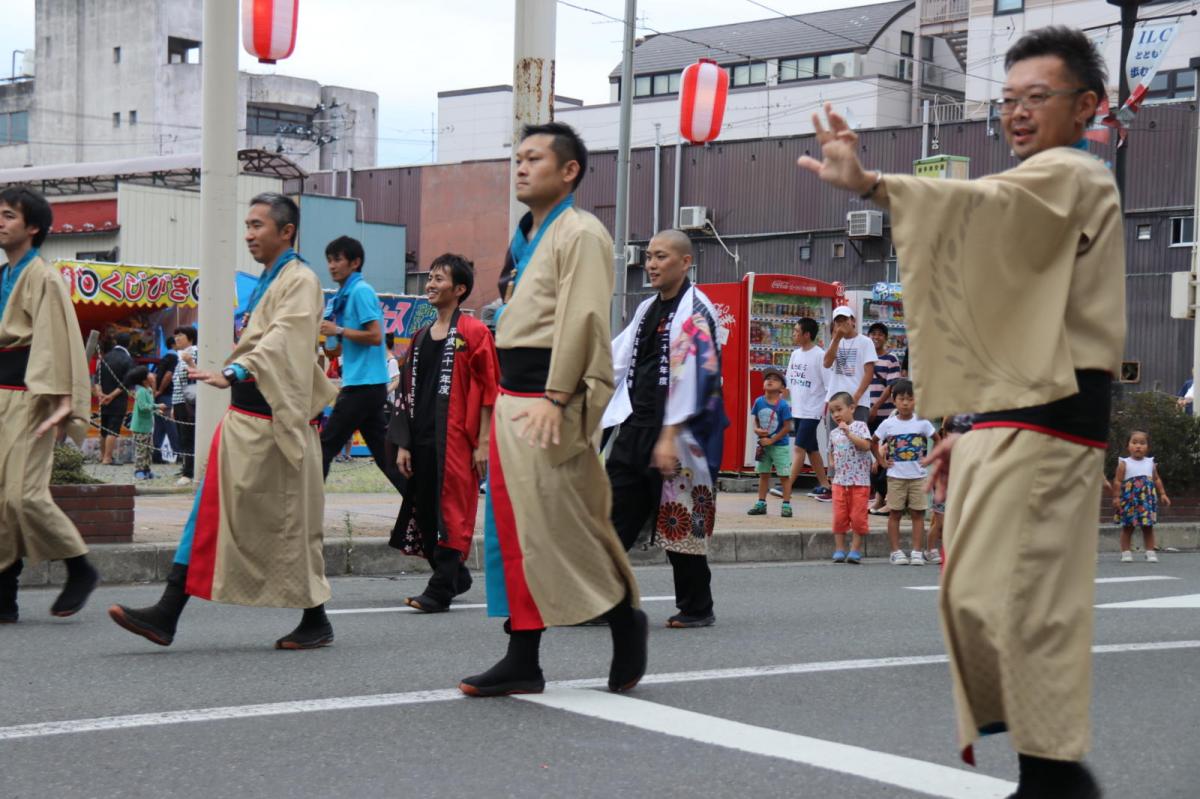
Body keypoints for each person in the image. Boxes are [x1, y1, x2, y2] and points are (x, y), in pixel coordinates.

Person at [799, 26, 1124, 796]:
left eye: (1034, 98)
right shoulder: (1029, 194)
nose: (1015, 113)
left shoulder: (1078, 177)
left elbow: (983, 211)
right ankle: (1050, 768)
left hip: (1053, 422)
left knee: (1022, 602)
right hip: (1006, 422)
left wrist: (876, 187)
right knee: (970, 594)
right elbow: (1000, 311)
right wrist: (967, 425)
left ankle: (1055, 774)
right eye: (1006, 100)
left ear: (1087, 108)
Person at [460, 121, 647, 698]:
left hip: (549, 396)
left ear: (569, 171)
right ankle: (523, 657)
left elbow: (584, 317)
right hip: (518, 398)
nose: (520, 167)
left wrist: (558, 397)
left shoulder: (581, 233)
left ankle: (622, 617)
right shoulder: (528, 235)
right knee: (513, 533)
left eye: (534, 158)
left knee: (559, 528)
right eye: (516, 157)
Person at [108, 193, 338, 650]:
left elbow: (283, 340)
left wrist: (234, 370)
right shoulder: (271, 281)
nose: (249, 234)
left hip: (273, 424)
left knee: (288, 522)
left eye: (258, 225)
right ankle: (168, 612)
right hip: (247, 420)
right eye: (247, 225)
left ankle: (312, 618)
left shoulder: (301, 280)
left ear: (286, 231)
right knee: (217, 514)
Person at [602, 228, 726, 629]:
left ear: (686, 262)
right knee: (613, 515)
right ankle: (604, 602)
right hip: (637, 424)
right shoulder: (647, 309)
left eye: (661, 257)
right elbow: (619, 359)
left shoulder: (696, 311)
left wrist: (670, 436)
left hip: (683, 434)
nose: (651, 265)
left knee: (680, 521)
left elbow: (696, 380)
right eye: (650, 256)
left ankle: (696, 606)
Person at [0, 185, 99, 623]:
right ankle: (4, 595)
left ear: (33, 227)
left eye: (8, 216)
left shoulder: (44, 275)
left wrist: (63, 401)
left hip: (29, 396)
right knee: (0, 500)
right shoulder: (6, 274)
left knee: (23, 497)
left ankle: (80, 565)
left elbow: (58, 342)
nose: (0, 222)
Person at [388, 253, 499, 613]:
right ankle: (455, 576)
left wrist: (483, 443)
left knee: (452, 511)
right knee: (424, 510)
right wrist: (403, 444)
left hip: (457, 440)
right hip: (421, 438)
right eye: (430, 278)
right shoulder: (419, 337)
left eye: (439, 279)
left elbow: (488, 390)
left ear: (460, 289)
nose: (430, 285)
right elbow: (406, 392)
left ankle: (439, 592)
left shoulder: (474, 332)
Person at [318, 236, 403, 490]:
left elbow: (376, 336)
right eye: (330, 260)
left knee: (324, 447)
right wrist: (329, 342)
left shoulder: (360, 291)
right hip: (366, 385)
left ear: (355, 262)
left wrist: (339, 329)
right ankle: (424, 515)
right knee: (385, 458)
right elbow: (345, 347)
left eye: (338, 260)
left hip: (362, 387)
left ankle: (305, 515)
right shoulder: (344, 296)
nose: (332, 266)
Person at [871, 379, 935, 566]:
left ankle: (916, 551)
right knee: (895, 514)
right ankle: (895, 551)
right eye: (901, 399)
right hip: (896, 477)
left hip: (918, 477)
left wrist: (930, 460)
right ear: (894, 400)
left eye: (910, 399)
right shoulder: (888, 424)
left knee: (918, 514)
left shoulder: (922, 422)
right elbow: (873, 442)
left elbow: (937, 439)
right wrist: (882, 461)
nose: (906, 403)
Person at [785, 317, 831, 502]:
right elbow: (789, 381)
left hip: (813, 410)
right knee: (812, 449)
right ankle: (826, 486)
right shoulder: (795, 354)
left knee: (799, 448)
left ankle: (787, 484)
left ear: (807, 334)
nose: (793, 334)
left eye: (797, 331)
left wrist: (825, 409)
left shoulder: (820, 355)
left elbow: (829, 385)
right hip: (797, 409)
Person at [826, 391, 872, 565]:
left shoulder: (860, 426)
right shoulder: (833, 433)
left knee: (858, 517)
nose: (836, 414)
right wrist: (831, 461)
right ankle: (839, 549)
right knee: (839, 517)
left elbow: (866, 446)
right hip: (840, 482)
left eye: (839, 409)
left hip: (859, 482)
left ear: (852, 408)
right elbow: (831, 450)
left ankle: (855, 549)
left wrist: (849, 433)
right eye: (832, 411)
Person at [1112, 430, 1170, 563]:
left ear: (1148, 447)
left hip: (1146, 501)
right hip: (1129, 500)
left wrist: (1163, 494)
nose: (1138, 446)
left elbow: (1156, 480)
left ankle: (1150, 551)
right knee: (1128, 527)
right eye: (1134, 442)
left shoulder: (1150, 463)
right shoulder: (1124, 463)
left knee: (1148, 527)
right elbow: (1117, 481)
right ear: (1128, 446)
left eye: (1142, 443)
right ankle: (1125, 552)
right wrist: (1116, 497)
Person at [746, 369, 794, 517]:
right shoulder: (758, 401)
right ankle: (761, 502)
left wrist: (771, 440)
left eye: (775, 379)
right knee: (763, 474)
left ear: (782, 388)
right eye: (767, 378)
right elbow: (756, 421)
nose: (770, 380)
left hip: (779, 446)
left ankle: (786, 504)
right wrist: (757, 431)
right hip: (764, 444)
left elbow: (787, 427)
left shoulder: (783, 405)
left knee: (784, 475)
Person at [866, 322, 902, 514]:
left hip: (884, 415)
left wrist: (876, 408)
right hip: (866, 413)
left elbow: (891, 387)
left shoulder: (891, 359)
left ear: (885, 338)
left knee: (883, 457)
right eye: (873, 334)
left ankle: (886, 498)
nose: (876, 337)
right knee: (873, 457)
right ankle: (878, 497)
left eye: (880, 334)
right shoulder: (866, 358)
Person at [822, 306, 876, 424]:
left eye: (845, 319)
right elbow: (826, 363)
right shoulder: (835, 341)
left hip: (858, 402)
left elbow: (869, 373)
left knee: (857, 439)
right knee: (836, 440)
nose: (842, 324)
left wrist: (855, 398)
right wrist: (836, 339)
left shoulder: (865, 342)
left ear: (853, 321)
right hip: (835, 400)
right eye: (838, 321)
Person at [96, 332, 134, 464]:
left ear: (115, 342)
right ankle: (107, 457)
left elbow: (97, 378)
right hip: (117, 399)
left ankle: (101, 456)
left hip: (103, 399)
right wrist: (111, 396)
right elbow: (127, 382)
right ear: (129, 343)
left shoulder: (105, 357)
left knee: (103, 429)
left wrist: (101, 394)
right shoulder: (127, 359)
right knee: (113, 428)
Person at [127, 365, 164, 480]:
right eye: (149, 374)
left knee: (149, 450)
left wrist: (156, 410)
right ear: (144, 380)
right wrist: (157, 406)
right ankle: (139, 470)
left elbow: (148, 406)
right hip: (140, 427)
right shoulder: (141, 391)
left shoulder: (148, 390)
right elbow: (143, 407)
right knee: (141, 450)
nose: (152, 375)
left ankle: (147, 470)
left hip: (147, 427)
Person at [171, 326, 198, 485]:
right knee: (183, 436)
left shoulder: (193, 351)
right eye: (176, 335)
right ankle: (186, 469)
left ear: (190, 337)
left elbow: (198, 372)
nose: (177, 338)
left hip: (189, 401)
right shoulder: (179, 355)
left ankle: (189, 473)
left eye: (180, 335)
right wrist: (174, 406)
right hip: (180, 401)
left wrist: (190, 362)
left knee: (188, 436)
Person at [152, 340, 180, 464]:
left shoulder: (164, 358)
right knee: (170, 425)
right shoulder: (174, 357)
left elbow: (154, 376)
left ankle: (156, 454)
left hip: (159, 396)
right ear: (173, 345)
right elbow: (168, 375)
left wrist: (155, 391)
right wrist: (161, 390)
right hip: (166, 394)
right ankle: (179, 453)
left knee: (160, 426)